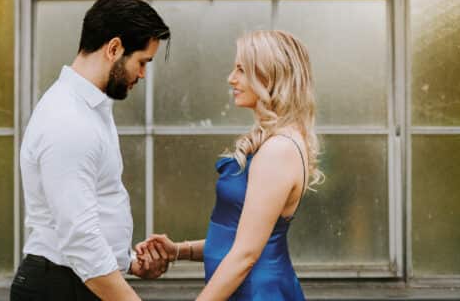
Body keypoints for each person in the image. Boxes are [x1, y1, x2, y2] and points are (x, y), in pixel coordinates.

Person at [137, 30, 323, 301]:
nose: (231, 78)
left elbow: (246, 255)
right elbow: (238, 237)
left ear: (269, 75)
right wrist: (179, 250)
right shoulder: (275, 142)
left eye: (241, 69)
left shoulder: (278, 150)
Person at [11, 0, 172, 301]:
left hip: (77, 281)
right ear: (113, 48)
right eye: (142, 62)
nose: (142, 74)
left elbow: (92, 211)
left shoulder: (89, 109)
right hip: (62, 288)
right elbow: (79, 239)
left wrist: (130, 263)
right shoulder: (68, 120)